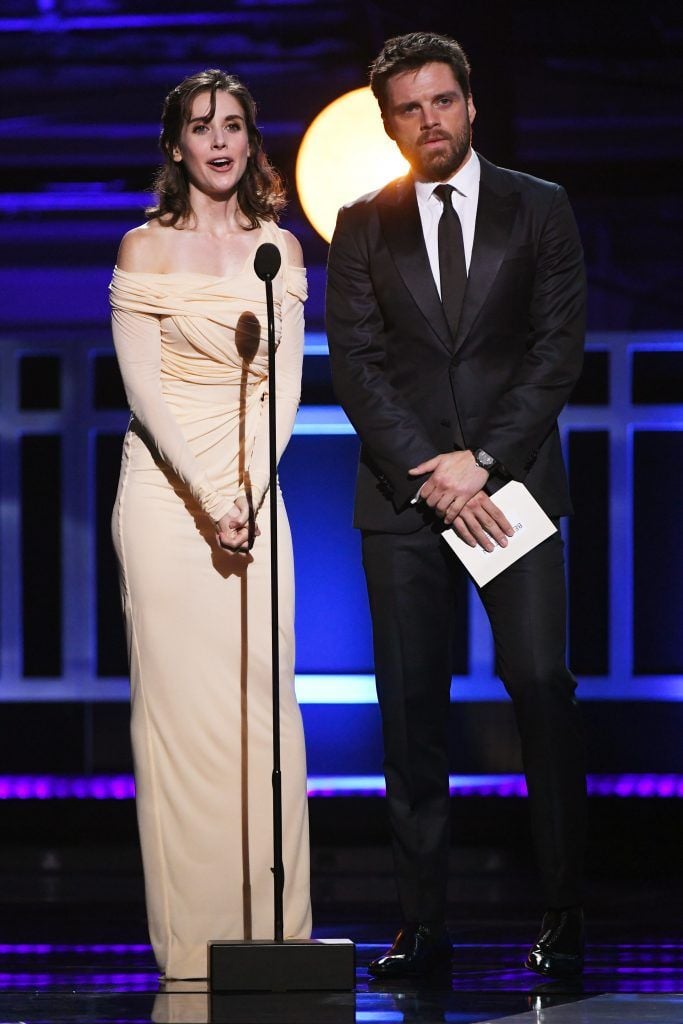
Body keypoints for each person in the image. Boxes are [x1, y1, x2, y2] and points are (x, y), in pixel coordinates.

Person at [326, 31, 587, 979]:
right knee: (409, 710)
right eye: (408, 107)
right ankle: (423, 923)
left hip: (508, 486)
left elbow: (558, 349)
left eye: (442, 101)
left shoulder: (540, 208)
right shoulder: (361, 222)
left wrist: (480, 461)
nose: (428, 120)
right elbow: (354, 364)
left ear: (470, 105)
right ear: (388, 122)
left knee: (541, 688)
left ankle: (564, 909)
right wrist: (428, 471)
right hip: (402, 502)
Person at [109, 68, 311, 980]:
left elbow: (289, 388)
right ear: (176, 146)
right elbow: (145, 394)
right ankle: (192, 950)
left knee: (263, 709)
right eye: (201, 127)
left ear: (251, 139)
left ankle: (274, 937)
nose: (219, 141)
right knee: (179, 718)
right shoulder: (144, 250)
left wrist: (249, 495)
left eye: (233, 125)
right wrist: (208, 496)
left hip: (253, 499)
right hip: (165, 498)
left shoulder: (282, 250)